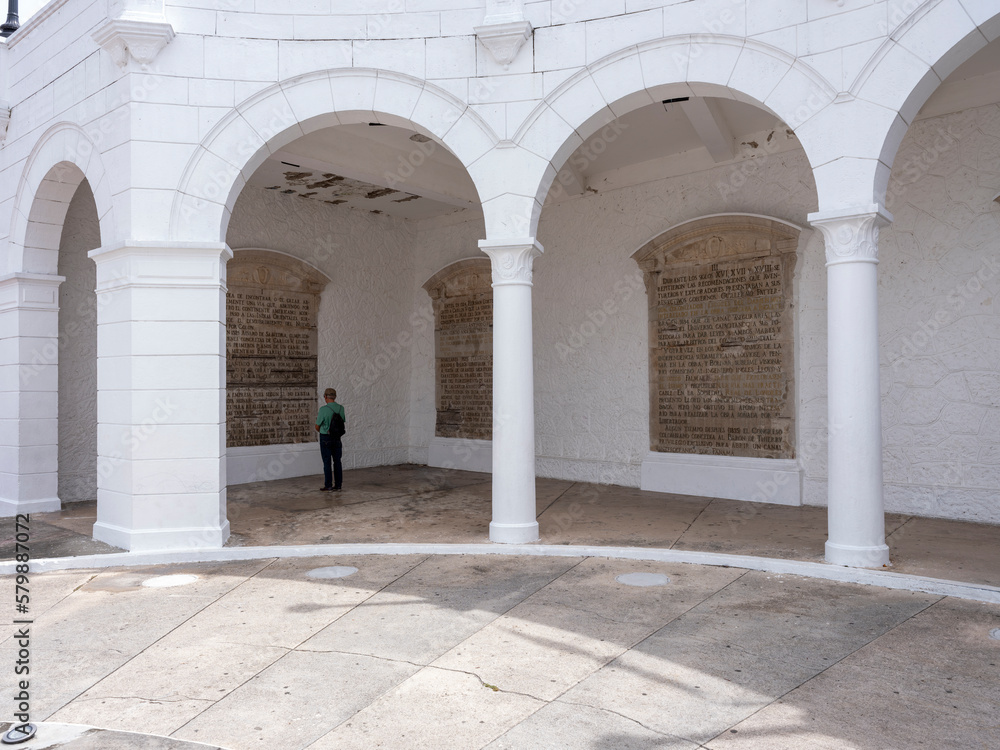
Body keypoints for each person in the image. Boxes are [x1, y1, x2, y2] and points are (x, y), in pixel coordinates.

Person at [315, 388, 346, 491]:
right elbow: (343, 422)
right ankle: (338, 485)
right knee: (337, 461)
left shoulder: (323, 409)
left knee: (327, 462)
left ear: (325, 397)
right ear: (335, 397)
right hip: (337, 438)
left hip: (326, 438)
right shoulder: (341, 408)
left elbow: (317, 426)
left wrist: (323, 430)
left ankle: (328, 485)